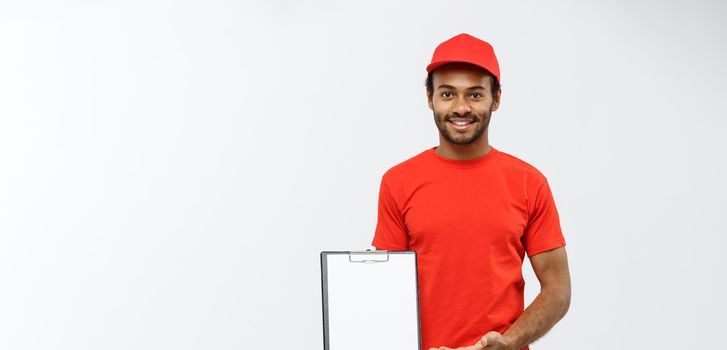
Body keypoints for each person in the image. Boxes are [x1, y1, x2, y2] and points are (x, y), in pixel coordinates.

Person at [371, 33, 571, 350]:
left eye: (475, 95)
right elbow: (385, 291)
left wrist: (510, 341)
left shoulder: (528, 182)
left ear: (497, 98)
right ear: (429, 97)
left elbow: (558, 289)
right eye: (448, 94)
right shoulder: (399, 182)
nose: (461, 107)